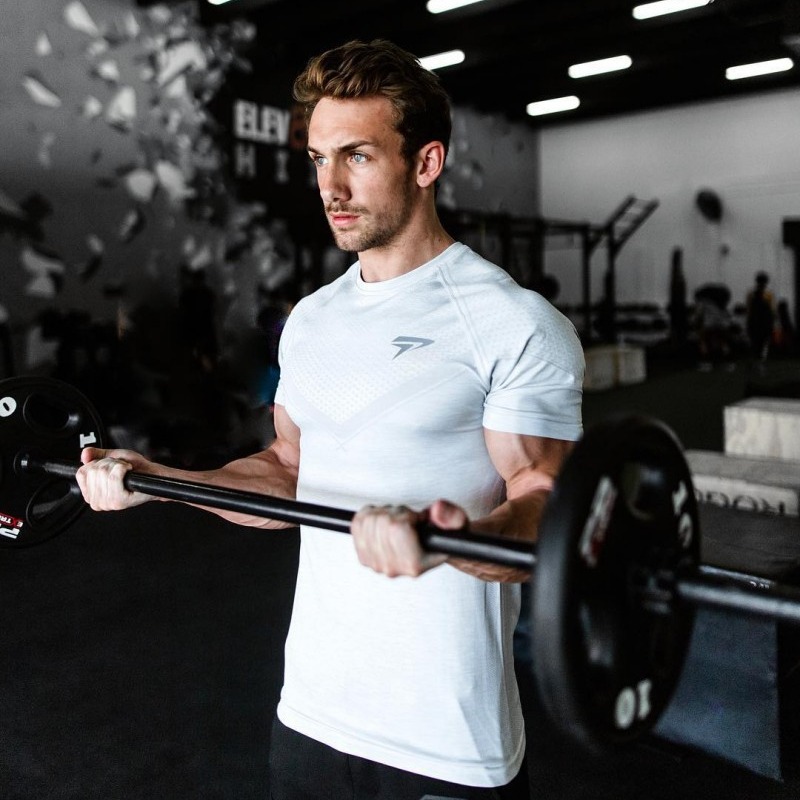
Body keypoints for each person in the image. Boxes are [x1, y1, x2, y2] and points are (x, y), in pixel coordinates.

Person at [75, 39, 584, 799]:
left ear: (426, 163)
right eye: (318, 159)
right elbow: (288, 468)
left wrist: (448, 539)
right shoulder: (311, 321)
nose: (330, 186)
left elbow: (546, 504)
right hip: (312, 717)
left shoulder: (513, 322)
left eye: (357, 156)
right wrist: (159, 478)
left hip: (446, 738)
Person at [745, 271, 775, 371]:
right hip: (762, 322)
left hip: (756, 321)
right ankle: (759, 363)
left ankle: (756, 363)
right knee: (762, 343)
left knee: (756, 343)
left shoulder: (752, 294)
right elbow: (771, 310)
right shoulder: (768, 294)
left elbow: (749, 309)